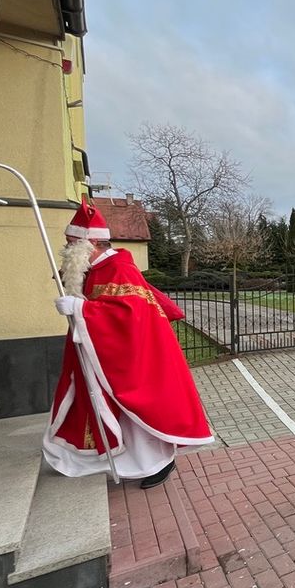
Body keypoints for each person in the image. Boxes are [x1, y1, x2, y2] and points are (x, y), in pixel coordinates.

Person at [42, 199, 214, 488]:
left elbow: (128, 315)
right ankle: (117, 459)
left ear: (90, 244)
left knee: (136, 411)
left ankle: (156, 463)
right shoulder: (94, 269)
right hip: (102, 355)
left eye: (71, 243)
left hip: (131, 359)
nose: (67, 249)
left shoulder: (120, 268)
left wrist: (80, 309)